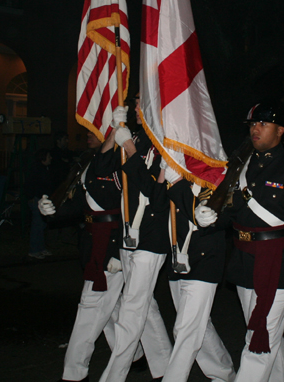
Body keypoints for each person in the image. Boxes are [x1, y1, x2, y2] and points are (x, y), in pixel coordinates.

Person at [213, 101, 284, 382]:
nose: (255, 129)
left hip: (278, 263)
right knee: (264, 333)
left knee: (259, 341)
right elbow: (234, 210)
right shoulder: (241, 165)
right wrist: (211, 216)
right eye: (252, 124)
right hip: (244, 259)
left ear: (281, 130)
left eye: (263, 123)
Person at [38, 130, 144, 382]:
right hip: (90, 242)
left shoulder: (123, 163)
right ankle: (137, 355)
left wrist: (122, 249)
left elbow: (137, 205)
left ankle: (74, 372)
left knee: (91, 307)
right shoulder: (86, 162)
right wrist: (54, 210)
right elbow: (81, 205)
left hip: (112, 244)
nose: (87, 134)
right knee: (111, 310)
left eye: (95, 129)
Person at [98, 102, 172, 382]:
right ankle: (165, 367)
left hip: (151, 236)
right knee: (146, 306)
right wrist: (114, 133)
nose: (136, 106)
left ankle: (113, 377)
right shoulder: (138, 137)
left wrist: (128, 145)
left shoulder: (168, 141)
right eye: (136, 101)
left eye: (143, 101)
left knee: (132, 309)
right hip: (127, 232)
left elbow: (155, 191)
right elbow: (101, 167)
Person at [159, 173, 236, 382]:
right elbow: (156, 205)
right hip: (178, 255)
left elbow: (231, 213)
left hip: (206, 257)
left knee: (185, 328)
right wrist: (162, 176)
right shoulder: (171, 166)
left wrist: (212, 217)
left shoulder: (217, 168)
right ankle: (223, 373)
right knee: (199, 324)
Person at [26, 148, 54, 259]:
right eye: (48, 156)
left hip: (41, 199)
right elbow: (31, 185)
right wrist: (32, 197)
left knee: (41, 225)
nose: (50, 158)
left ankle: (40, 248)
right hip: (37, 200)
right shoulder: (37, 170)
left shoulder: (44, 169)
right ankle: (34, 250)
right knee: (37, 225)